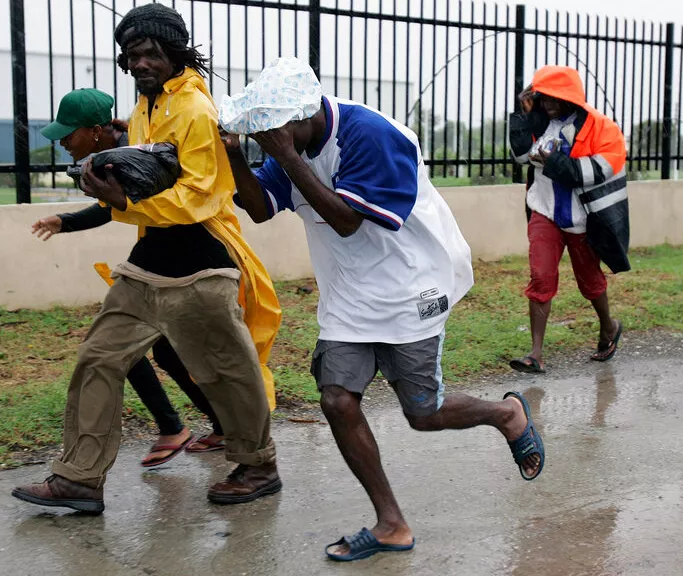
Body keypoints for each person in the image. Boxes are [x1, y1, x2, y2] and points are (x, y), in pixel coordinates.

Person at [219, 57, 545, 562]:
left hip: (412, 284)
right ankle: (391, 523)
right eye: (261, 136)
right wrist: (237, 155)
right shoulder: (292, 142)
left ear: (303, 117)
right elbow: (261, 207)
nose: (269, 143)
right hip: (350, 294)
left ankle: (506, 413)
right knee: (336, 399)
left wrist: (287, 157)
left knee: (423, 412)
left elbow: (347, 220)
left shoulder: (370, 134)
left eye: (273, 134)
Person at [12, 3, 282, 515]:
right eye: (132, 54)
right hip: (150, 260)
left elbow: (199, 196)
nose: (140, 63)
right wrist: (111, 180)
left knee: (226, 369)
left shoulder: (196, 111)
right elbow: (144, 177)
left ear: (175, 53)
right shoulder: (145, 107)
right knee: (99, 357)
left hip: (202, 260)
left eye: (151, 53)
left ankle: (258, 464)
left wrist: (123, 201)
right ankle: (79, 478)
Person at [31, 88, 227, 464]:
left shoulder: (129, 150)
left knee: (120, 345)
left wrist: (68, 221)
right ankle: (215, 428)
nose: (63, 143)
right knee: (163, 352)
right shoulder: (120, 149)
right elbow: (116, 205)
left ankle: (195, 431)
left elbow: (121, 205)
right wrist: (64, 221)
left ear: (94, 130)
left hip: (186, 256)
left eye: (68, 135)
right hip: (168, 254)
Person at [508, 65, 629, 374]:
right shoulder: (540, 121)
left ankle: (608, 326)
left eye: (553, 99)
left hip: (584, 219)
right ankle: (535, 354)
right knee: (540, 277)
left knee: (590, 281)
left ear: (570, 98)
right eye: (542, 98)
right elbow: (521, 157)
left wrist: (554, 161)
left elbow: (590, 173)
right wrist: (523, 118)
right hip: (544, 211)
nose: (547, 105)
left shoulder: (604, 130)